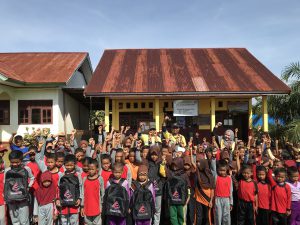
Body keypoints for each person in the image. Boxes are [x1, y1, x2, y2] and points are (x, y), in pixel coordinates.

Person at [4, 150, 35, 225]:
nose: (14, 164)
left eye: (17, 162)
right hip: (11, 199)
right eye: (12, 162)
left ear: (21, 160)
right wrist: (6, 195)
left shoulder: (26, 169)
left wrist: (28, 187)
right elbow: (5, 183)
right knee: (15, 220)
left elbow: (32, 178)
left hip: (23, 199)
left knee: (24, 220)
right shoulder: (7, 170)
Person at [56, 154, 83, 225]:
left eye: (71, 165)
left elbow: (81, 188)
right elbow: (58, 188)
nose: (69, 167)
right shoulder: (61, 175)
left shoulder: (78, 175)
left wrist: (80, 199)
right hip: (63, 204)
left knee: (74, 221)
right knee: (63, 221)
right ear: (64, 164)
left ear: (75, 164)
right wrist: (57, 199)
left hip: (75, 204)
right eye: (67, 165)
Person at [165, 157, 190, 225]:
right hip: (172, 199)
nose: (174, 167)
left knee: (181, 215)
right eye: (173, 165)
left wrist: (188, 197)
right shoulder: (170, 173)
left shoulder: (184, 175)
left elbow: (188, 187)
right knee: (173, 216)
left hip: (181, 199)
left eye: (176, 165)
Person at [81, 159, 104, 225]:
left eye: (92, 169)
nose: (90, 171)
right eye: (89, 169)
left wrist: (102, 206)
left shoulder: (100, 179)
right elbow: (82, 193)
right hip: (87, 209)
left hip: (97, 208)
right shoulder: (84, 179)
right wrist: (82, 207)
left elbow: (103, 193)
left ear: (97, 169)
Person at [214, 160, 233, 225]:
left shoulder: (229, 178)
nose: (222, 172)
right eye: (220, 170)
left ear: (226, 170)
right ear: (217, 170)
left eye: (223, 170)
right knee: (218, 216)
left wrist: (231, 202)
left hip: (227, 200)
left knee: (226, 217)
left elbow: (231, 191)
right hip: (218, 199)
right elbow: (213, 168)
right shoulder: (216, 177)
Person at [0, 145, 8, 225]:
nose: (2, 153)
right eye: (1, 151)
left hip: (2, 194)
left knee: (2, 217)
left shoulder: (4, 160)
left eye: (3, 151)